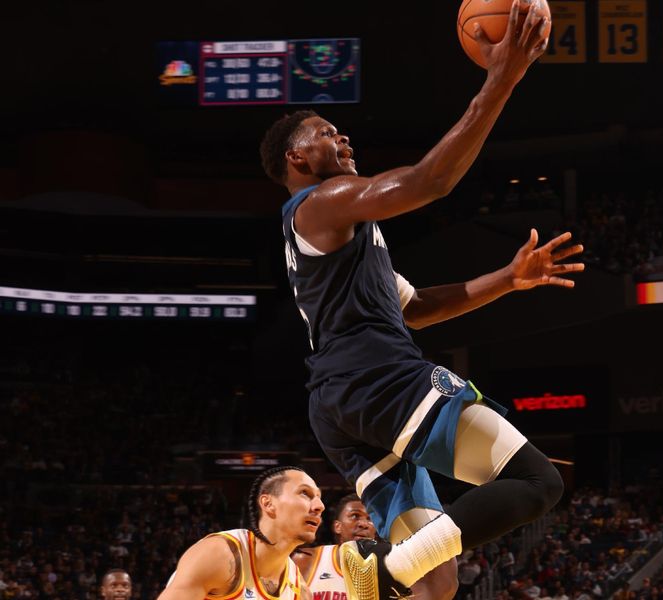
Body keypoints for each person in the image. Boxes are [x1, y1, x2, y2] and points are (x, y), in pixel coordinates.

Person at [261, 2, 581, 599]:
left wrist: (507, 280)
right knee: (537, 482)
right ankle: (376, 574)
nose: (342, 135)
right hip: (377, 378)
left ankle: (371, 578)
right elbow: (430, 180)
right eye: (326, 133)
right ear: (296, 159)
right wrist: (501, 77)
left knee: (436, 583)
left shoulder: (342, 236)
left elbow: (416, 307)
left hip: (341, 402)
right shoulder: (322, 201)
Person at [157, 466, 322, 600]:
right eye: (304, 493)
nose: (319, 506)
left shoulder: (299, 591)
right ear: (268, 503)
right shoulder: (220, 555)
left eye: (319, 497)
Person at [293, 493, 378, 600]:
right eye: (355, 516)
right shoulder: (306, 559)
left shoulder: (387, 567)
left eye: (370, 518)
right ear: (337, 526)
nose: (364, 524)